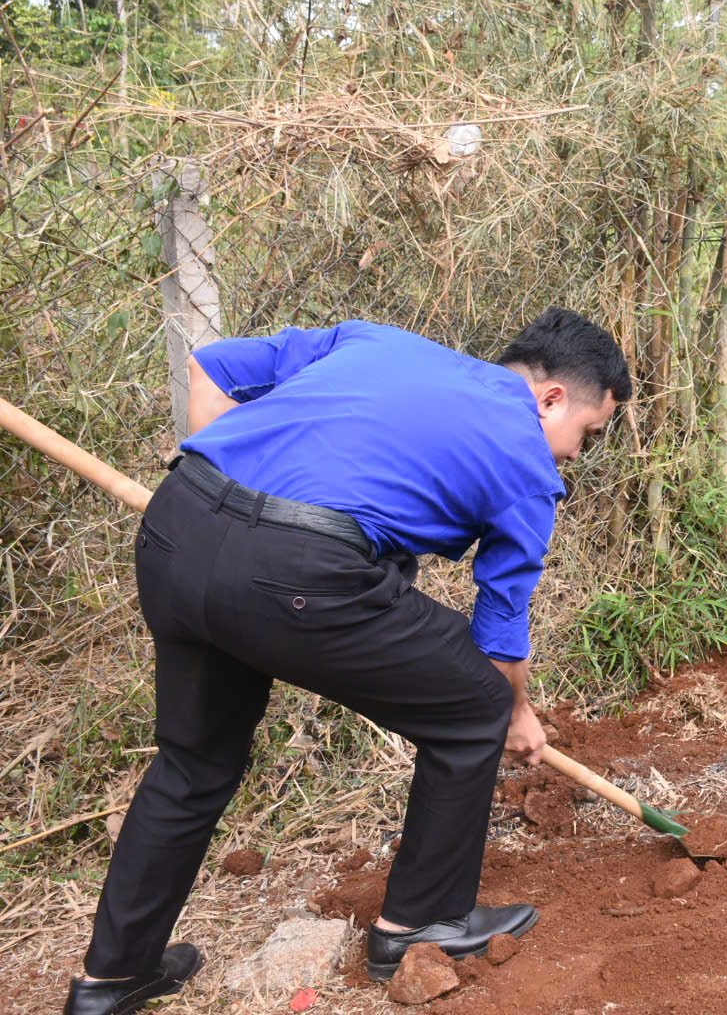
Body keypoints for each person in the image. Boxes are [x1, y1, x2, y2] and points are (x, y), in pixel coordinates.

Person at [64, 308, 630, 1015]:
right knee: (475, 704)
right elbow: (499, 636)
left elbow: (210, 365)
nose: (576, 455)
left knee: (193, 763)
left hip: (178, 529)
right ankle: (418, 925)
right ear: (549, 399)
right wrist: (514, 715)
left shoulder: (376, 340)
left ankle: (111, 978)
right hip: (296, 572)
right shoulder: (523, 458)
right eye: (587, 433)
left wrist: (236, 513)